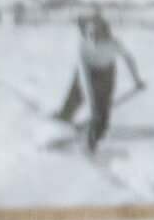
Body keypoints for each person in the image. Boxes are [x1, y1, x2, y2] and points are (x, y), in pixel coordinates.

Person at [53, 10, 146, 153]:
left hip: (106, 73)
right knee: (75, 97)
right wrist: (91, 104)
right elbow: (84, 78)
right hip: (87, 71)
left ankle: (97, 134)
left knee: (103, 105)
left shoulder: (114, 44)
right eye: (91, 33)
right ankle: (61, 122)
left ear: (105, 31)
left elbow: (129, 59)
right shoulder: (84, 45)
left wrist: (137, 80)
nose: (94, 36)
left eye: (98, 32)